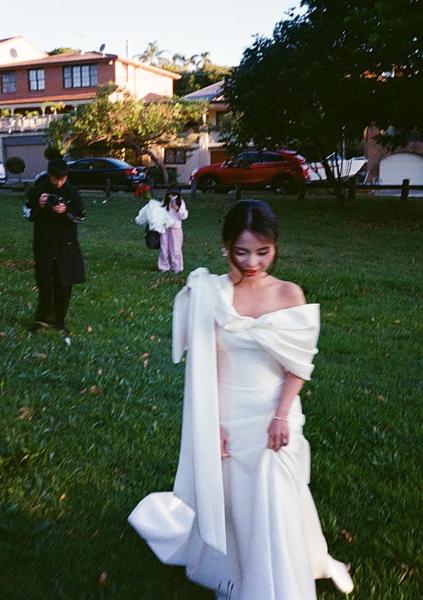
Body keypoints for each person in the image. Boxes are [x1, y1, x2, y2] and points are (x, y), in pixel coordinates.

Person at [129, 200, 354, 599]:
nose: (252, 262)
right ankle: (238, 569)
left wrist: (280, 416)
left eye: (263, 252)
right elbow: (208, 366)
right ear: (226, 247)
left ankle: (282, 577)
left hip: (275, 410)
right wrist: (211, 423)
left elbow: (299, 365)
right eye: (242, 251)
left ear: (275, 246)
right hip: (229, 410)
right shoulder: (213, 295)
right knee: (239, 499)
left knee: (276, 494)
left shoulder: (289, 293)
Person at [24, 159, 85, 343]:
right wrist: (39, 203)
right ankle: (43, 318)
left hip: (65, 244)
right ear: (49, 175)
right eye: (55, 178)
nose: (58, 182)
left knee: (64, 282)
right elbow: (26, 212)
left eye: (62, 178)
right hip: (43, 242)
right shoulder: (39, 189)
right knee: (44, 281)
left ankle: (59, 320)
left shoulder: (72, 192)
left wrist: (65, 211)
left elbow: (80, 216)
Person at [158, 187, 188, 273]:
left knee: (175, 248)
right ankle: (163, 266)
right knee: (164, 247)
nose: (173, 196)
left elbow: (184, 216)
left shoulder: (181, 202)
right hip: (165, 227)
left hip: (176, 228)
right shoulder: (164, 201)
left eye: (175, 194)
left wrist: (177, 209)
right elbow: (160, 213)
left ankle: (177, 267)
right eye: (171, 194)